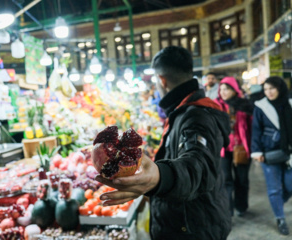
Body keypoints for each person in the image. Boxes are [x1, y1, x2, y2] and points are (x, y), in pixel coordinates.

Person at [96, 46, 232, 240]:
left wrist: (160, 177)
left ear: (162, 80)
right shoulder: (183, 110)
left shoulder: (197, 117)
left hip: (193, 228)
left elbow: (199, 165)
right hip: (190, 221)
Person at [251, 76, 292, 236]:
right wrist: (257, 151)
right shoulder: (261, 107)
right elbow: (256, 130)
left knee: (289, 185)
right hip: (268, 153)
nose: (268, 92)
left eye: (272, 88)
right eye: (266, 89)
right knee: (274, 188)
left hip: (289, 152)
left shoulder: (289, 103)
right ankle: (280, 218)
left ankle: (277, 204)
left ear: (280, 88)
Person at [214, 77, 254, 217]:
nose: (223, 92)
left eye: (227, 89)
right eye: (221, 89)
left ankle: (241, 206)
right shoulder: (215, 106)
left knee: (242, 180)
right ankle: (227, 209)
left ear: (235, 90)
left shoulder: (245, 105)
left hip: (242, 147)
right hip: (222, 149)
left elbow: (252, 127)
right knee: (225, 180)